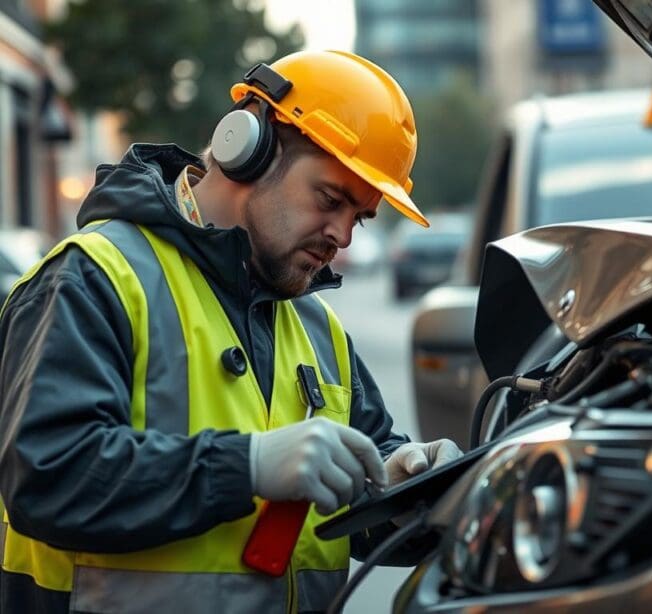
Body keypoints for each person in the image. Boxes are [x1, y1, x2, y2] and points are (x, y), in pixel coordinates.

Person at [0, 50, 461, 613]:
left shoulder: (316, 326)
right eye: (330, 199)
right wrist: (247, 467)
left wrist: (406, 490)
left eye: (360, 217)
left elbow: (353, 500)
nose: (342, 236)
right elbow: (50, 476)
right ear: (246, 150)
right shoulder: (92, 281)